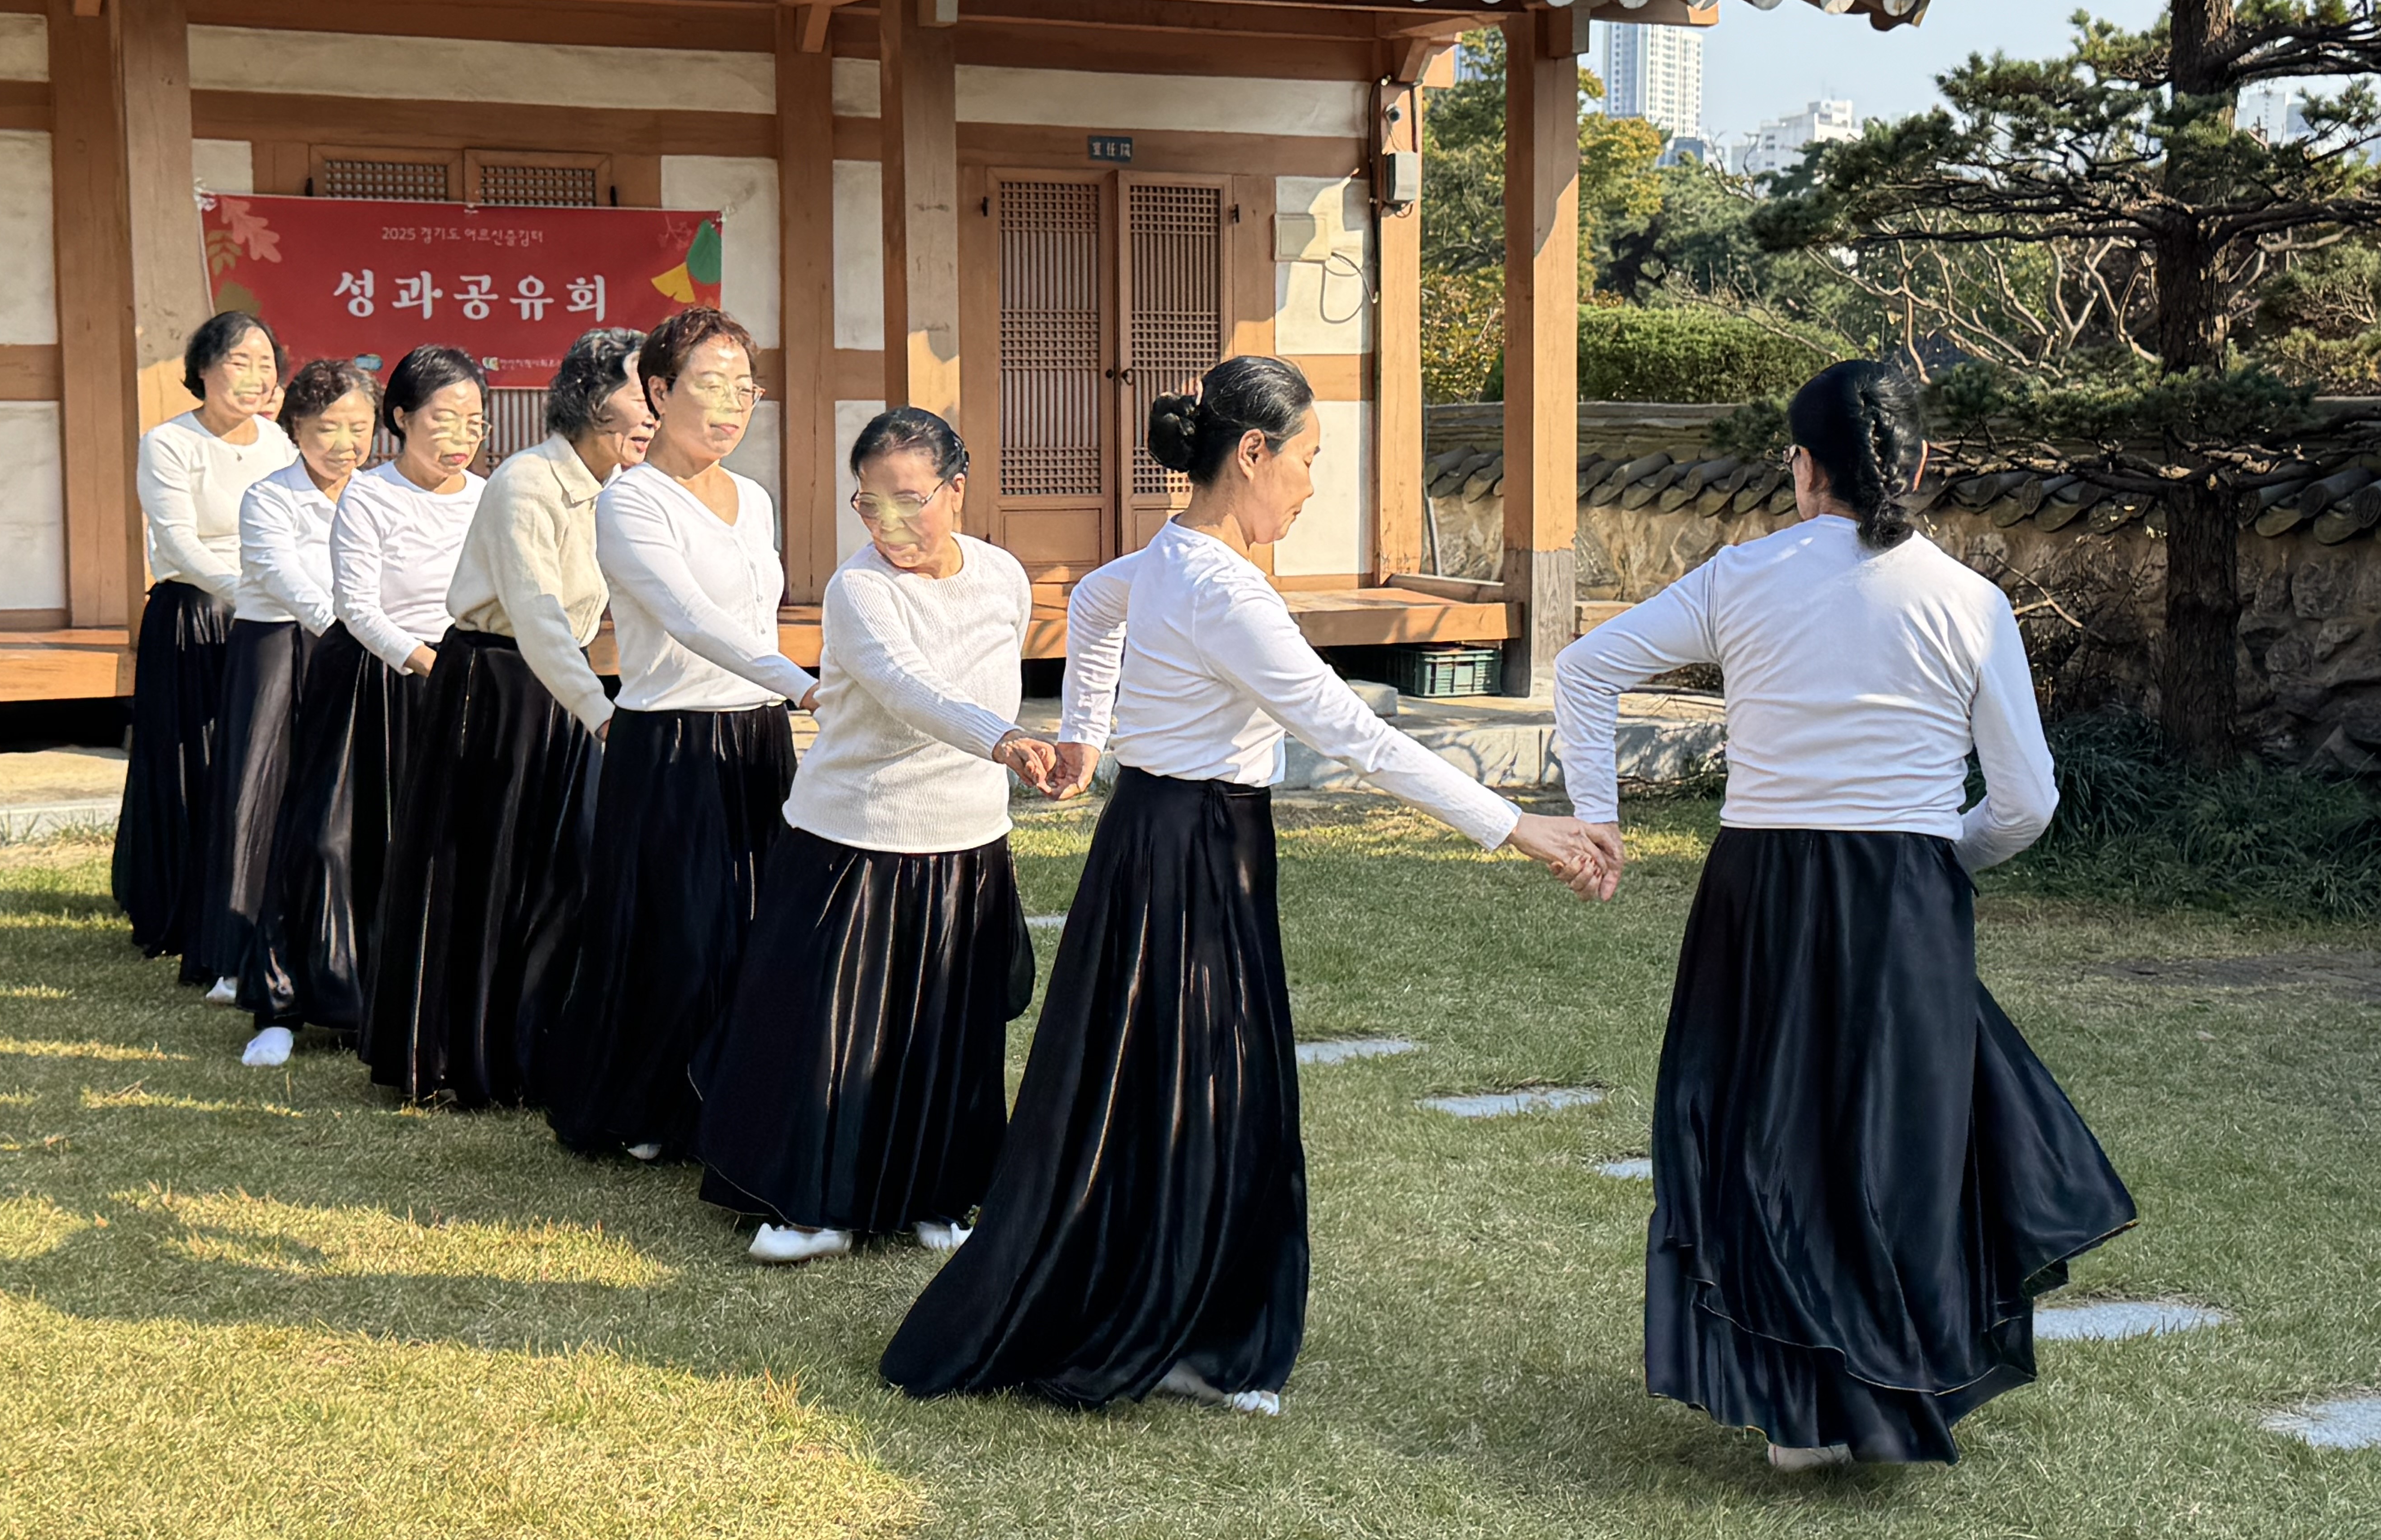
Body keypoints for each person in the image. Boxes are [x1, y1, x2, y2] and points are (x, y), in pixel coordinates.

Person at [880, 356, 1614, 1415]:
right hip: (1190, 852)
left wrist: (1087, 734)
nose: (1312, 488)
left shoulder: (1173, 559)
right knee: (1207, 1092)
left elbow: (1093, 599)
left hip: (1165, 842)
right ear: (1253, 453)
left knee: (1151, 1090)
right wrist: (1523, 829)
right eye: (1307, 461)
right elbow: (1354, 734)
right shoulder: (1223, 591)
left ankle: (1168, 1312)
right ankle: (1184, 1332)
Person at [1552, 359, 2137, 1470]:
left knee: (1763, 1125)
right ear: (1916, 465)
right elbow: (2027, 802)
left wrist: (1599, 814)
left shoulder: (1741, 576)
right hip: (1903, 889)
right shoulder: (1971, 601)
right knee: (1897, 1138)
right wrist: (1937, 855)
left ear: (1802, 466)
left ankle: (1800, 1411)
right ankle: (1876, 1392)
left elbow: (1585, 671)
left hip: (1760, 884)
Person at [695, 406, 1055, 1264]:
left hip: (967, 837)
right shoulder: (859, 589)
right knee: (836, 1034)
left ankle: (943, 1196)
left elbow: (996, 677)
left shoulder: (1004, 576)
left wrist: (1044, 743)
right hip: (854, 836)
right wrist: (1001, 740)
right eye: (869, 504)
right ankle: (815, 1209)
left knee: (952, 1033)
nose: (889, 524)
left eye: (910, 500)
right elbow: (907, 688)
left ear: (957, 490)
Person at [535, 309, 816, 1159]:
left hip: (758, 734)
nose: (732, 406)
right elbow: (691, 621)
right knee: (679, 937)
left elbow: (754, 618)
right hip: (673, 744)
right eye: (710, 385)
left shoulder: (754, 497)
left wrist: (789, 694)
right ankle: (646, 1105)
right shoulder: (630, 503)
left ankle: (731, 1099)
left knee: (759, 929)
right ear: (658, 391)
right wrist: (806, 686)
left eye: (745, 389)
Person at [364, 329, 653, 1106]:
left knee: (565, 870)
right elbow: (536, 617)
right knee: (483, 869)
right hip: (497, 687)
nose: (653, 408)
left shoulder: (625, 486)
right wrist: (605, 716)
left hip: (564, 685)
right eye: (639, 389)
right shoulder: (529, 482)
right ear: (595, 399)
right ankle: (466, 1061)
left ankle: (541, 1047)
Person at [239, 347, 485, 1069]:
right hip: (369, 679)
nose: (461, 437)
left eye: (474, 421)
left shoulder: (486, 496)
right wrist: (429, 665)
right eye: (444, 419)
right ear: (403, 419)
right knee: (328, 839)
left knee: (431, 849)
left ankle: (402, 999)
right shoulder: (371, 494)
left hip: (455, 682)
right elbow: (357, 607)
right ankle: (284, 1005)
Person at [188, 360, 376, 1007]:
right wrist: (362, 635)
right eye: (327, 428)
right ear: (294, 427)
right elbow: (289, 580)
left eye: (359, 428)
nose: (344, 445)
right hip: (278, 652)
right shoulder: (268, 496)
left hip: (355, 651)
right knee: (258, 796)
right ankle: (235, 957)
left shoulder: (379, 494)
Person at [114, 312, 295, 961]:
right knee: (191, 758)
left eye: (266, 364)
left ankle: (243, 905)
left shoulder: (279, 443)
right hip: (195, 616)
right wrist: (248, 590)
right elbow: (179, 543)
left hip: (269, 612)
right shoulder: (169, 443)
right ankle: (174, 909)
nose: (254, 376)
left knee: (255, 759)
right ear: (203, 371)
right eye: (240, 361)